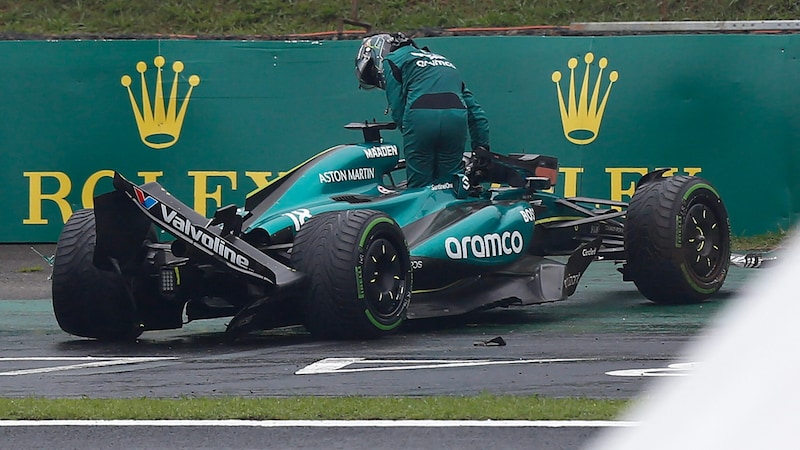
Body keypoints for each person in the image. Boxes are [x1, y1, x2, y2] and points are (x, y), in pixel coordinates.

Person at [355, 32, 490, 188]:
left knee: (420, 187)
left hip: (421, 119)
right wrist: (481, 148)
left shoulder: (391, 60)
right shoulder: (445, 62)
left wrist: (408, 131)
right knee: (450, 185)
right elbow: (476, 113)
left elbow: (398, 107)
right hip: (456, 120)